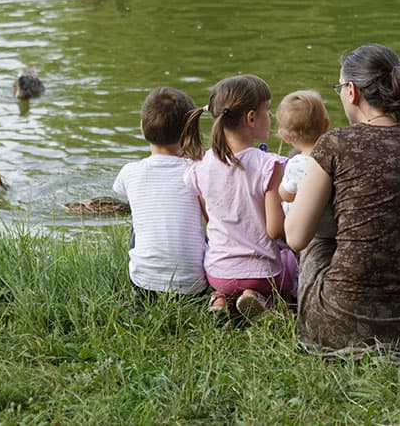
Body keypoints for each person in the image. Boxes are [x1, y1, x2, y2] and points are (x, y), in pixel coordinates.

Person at [285, 43, 400, 359]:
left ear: (352, 91)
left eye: (339, 87)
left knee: (316, 231)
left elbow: (296, 237)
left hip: (338, 321)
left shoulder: (334, 143)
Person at [181, 74, 296, 321]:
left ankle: (220, 298)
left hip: (217, 272)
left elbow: (209, 218)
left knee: (226, 273)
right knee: (289, 260)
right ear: (251, 117)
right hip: (264, 274)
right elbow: (275, 230)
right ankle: (262, 298)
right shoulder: (269, 165)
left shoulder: (200, 165)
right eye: (268, 110)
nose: (271, 117)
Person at [112, 87, 207, 304]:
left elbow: (120, 191)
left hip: (144, 284)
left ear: (142, 129)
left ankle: (148, 285)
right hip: (194, 287)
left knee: (139, 224)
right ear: (189, 132)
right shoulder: (197, 170)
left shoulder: (130, 171)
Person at [276, 90, 336, 239]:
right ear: (326, 125)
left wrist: (281, 190)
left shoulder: (297, 163)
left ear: (286, 137)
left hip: (313, 228)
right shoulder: (334, 156)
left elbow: (287, 195)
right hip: (336, 223)